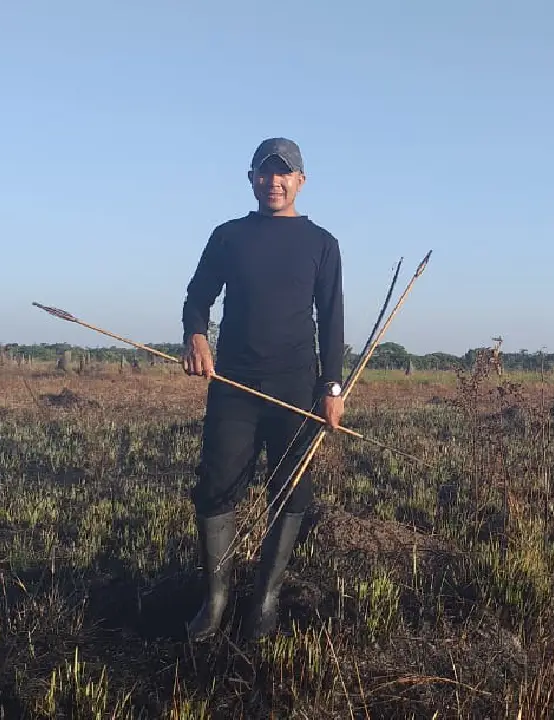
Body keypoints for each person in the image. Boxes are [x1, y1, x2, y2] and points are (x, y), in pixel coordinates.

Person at [179, 137, 345, 642]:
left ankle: (267, 598)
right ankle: (216, 601)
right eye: (264, 172)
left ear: (300, 181)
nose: (274, 182)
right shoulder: (228, 236)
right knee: (216, 487)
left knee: (291, 488)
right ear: (251, 178)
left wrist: (331, 385)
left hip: (295, 388)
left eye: (284, 173)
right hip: (232, 383)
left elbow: (331, 319)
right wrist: (196, 336)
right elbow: (197, 295)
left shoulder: (322, 243)